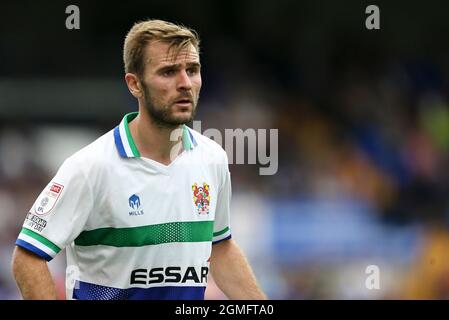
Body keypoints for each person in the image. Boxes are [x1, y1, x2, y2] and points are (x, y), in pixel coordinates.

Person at [11, 19, 267, 300]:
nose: (185, 83)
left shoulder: (212, 159)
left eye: (192, 70)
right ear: (135, 84)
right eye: (168, 72)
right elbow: (27, 258)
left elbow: (220, 248)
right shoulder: (90, 167)